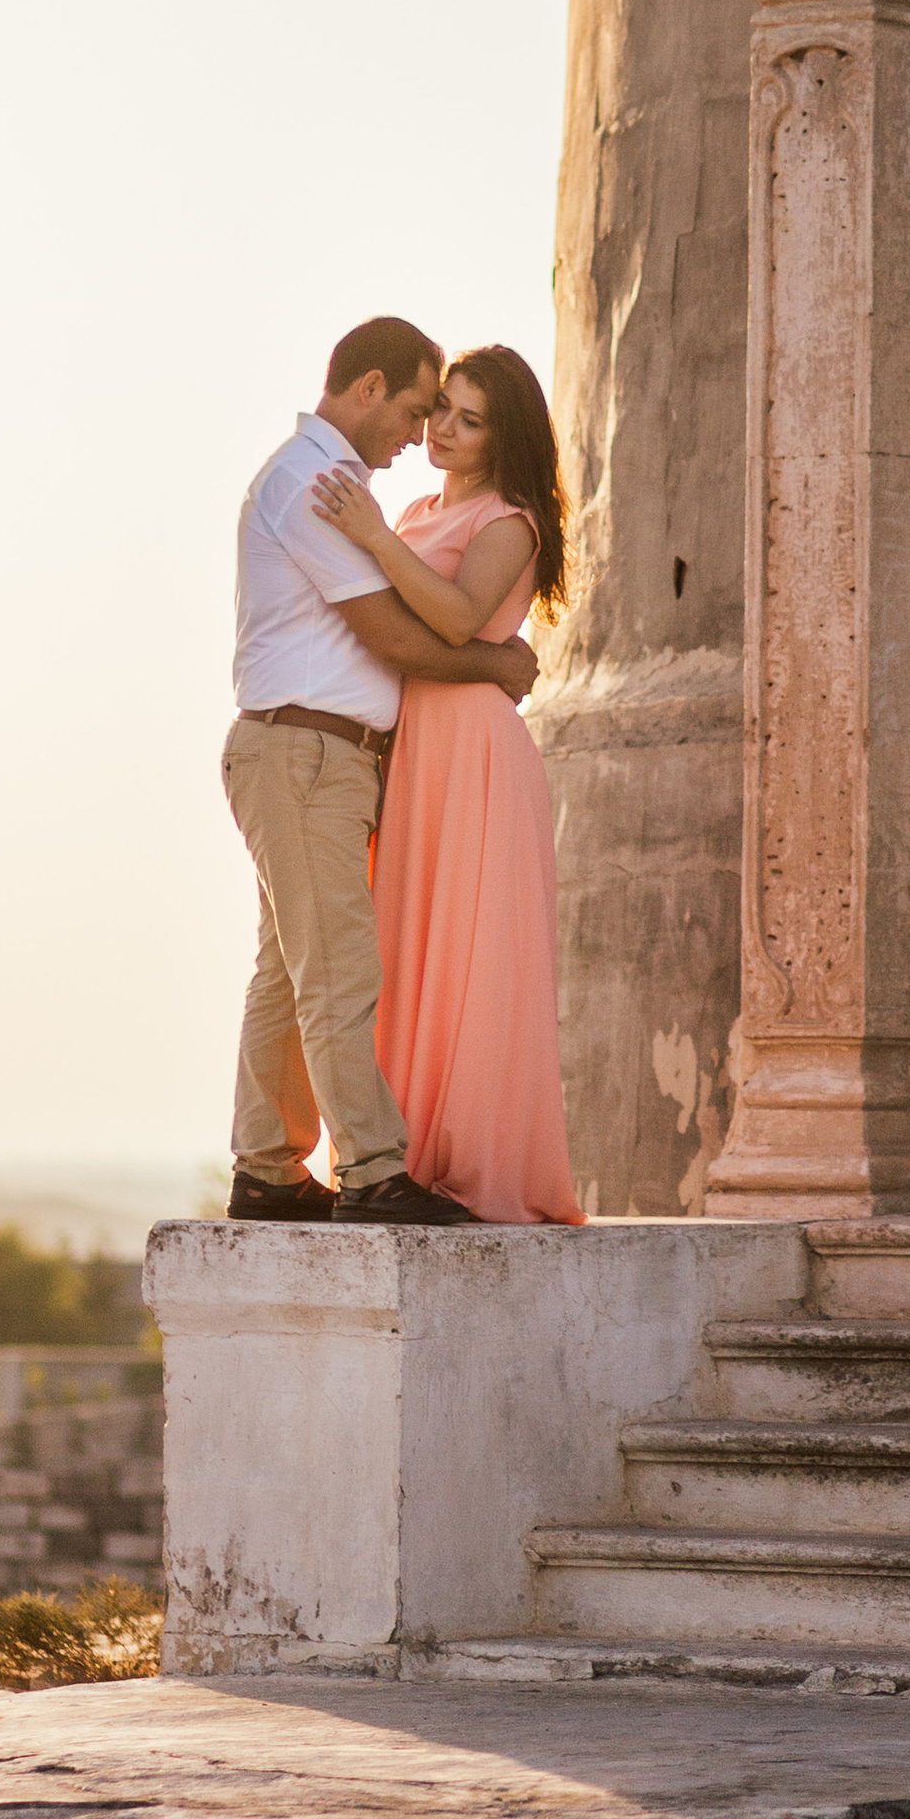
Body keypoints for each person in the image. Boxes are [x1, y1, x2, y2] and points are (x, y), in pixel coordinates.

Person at [223, 317, 538, 1225]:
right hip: (305, 751)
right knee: (336, 970)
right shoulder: (315, 484)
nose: (418, 433)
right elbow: (390, 632)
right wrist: (497, 664)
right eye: (412, 410)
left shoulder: (339, 484)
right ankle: (369, 1173)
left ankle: (268, 1171)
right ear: (366, 389)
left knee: (289, 971)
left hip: (317, 754)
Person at [310, 344, 583, 1226]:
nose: (442, 431)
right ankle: (399, 1155)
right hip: (412, 743)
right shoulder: (420, 505)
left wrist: (374, 535)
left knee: (469, 952)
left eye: (469, 419)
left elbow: (461, 615)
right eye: (441, 411)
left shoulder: (510, 520)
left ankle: (472, 1159)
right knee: (402, 946)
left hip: (472, 751)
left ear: (504, 438)